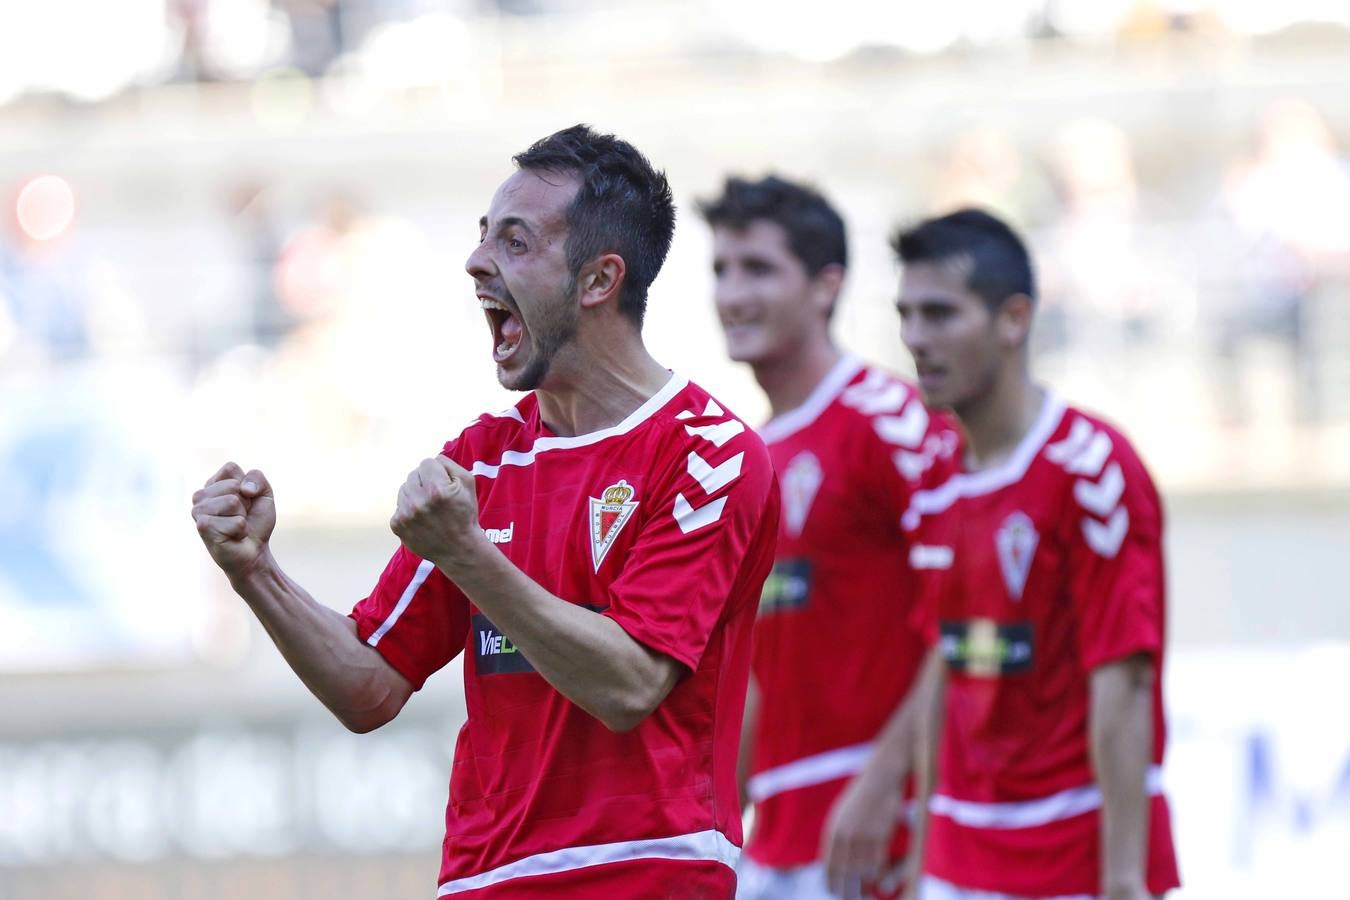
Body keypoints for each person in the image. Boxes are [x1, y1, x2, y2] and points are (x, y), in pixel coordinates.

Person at [191, 125, 779, 897]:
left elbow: (628, 687)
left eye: (515, 241)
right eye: (482, 234)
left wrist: (469, 554)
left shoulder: (709, 453)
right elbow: (369, 684)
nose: (476, 261)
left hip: (643, 873)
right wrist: (255, 571)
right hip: (483, 881)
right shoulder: (483, 460)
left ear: (599, 280)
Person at [823, 209, 1181, 900]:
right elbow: (947, 660)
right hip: (959, 858)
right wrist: (923, 862)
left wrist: (1123, 879)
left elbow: (1125, 682)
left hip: (1068, 858)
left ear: (1014, 319)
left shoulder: (1090, 469)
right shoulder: (934, 473)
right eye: (906, 315)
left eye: (940, 314)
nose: (915, 338)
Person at [699, 176, 958, 899]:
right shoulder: (744, 458)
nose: (732, 294)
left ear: (825, 286)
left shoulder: (891, 420)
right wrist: (714, 826)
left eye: (758, 269)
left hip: (882, 826)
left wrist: (887, 779)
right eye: (722, 270)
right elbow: (759, 668)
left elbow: (964, 615)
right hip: (778, 839)